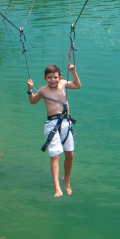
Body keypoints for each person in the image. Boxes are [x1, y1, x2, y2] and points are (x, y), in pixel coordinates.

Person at [27, 64, 81, 197]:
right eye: (49, 78)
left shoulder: (63, 84)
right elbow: (33, 101)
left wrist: (74, 72)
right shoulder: (43, 90)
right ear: (45, 79)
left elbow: (77, 85)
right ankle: (56, 186)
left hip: (66, 122)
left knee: (70, 154)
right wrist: (29, 90)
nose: (53, 80)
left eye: (55, 77)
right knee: (55, 155)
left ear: (60, 77)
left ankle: (66, 180)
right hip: (52, 124)